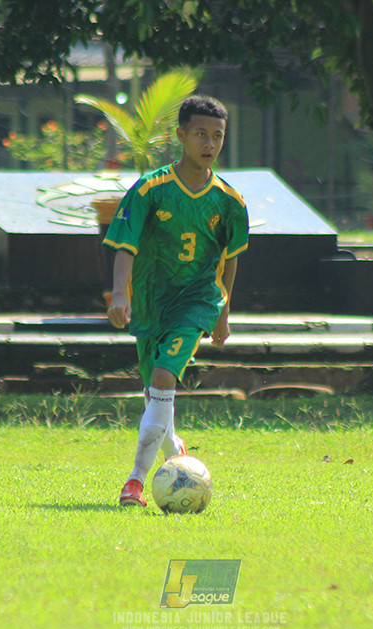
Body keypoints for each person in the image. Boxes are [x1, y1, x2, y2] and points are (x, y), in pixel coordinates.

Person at [102, 95, 249, 507]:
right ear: (180, 136)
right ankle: (175, 456)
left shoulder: (230, 202)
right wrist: (119, 293)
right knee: (155, 395)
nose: (209, 143)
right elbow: (124, 246)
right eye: (201, 134)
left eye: (217, 136)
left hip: (197, 300)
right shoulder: (151, 189)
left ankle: (134, 480)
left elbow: (231, 260)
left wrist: (224, 311)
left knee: (165, 379)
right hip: (151, 302)